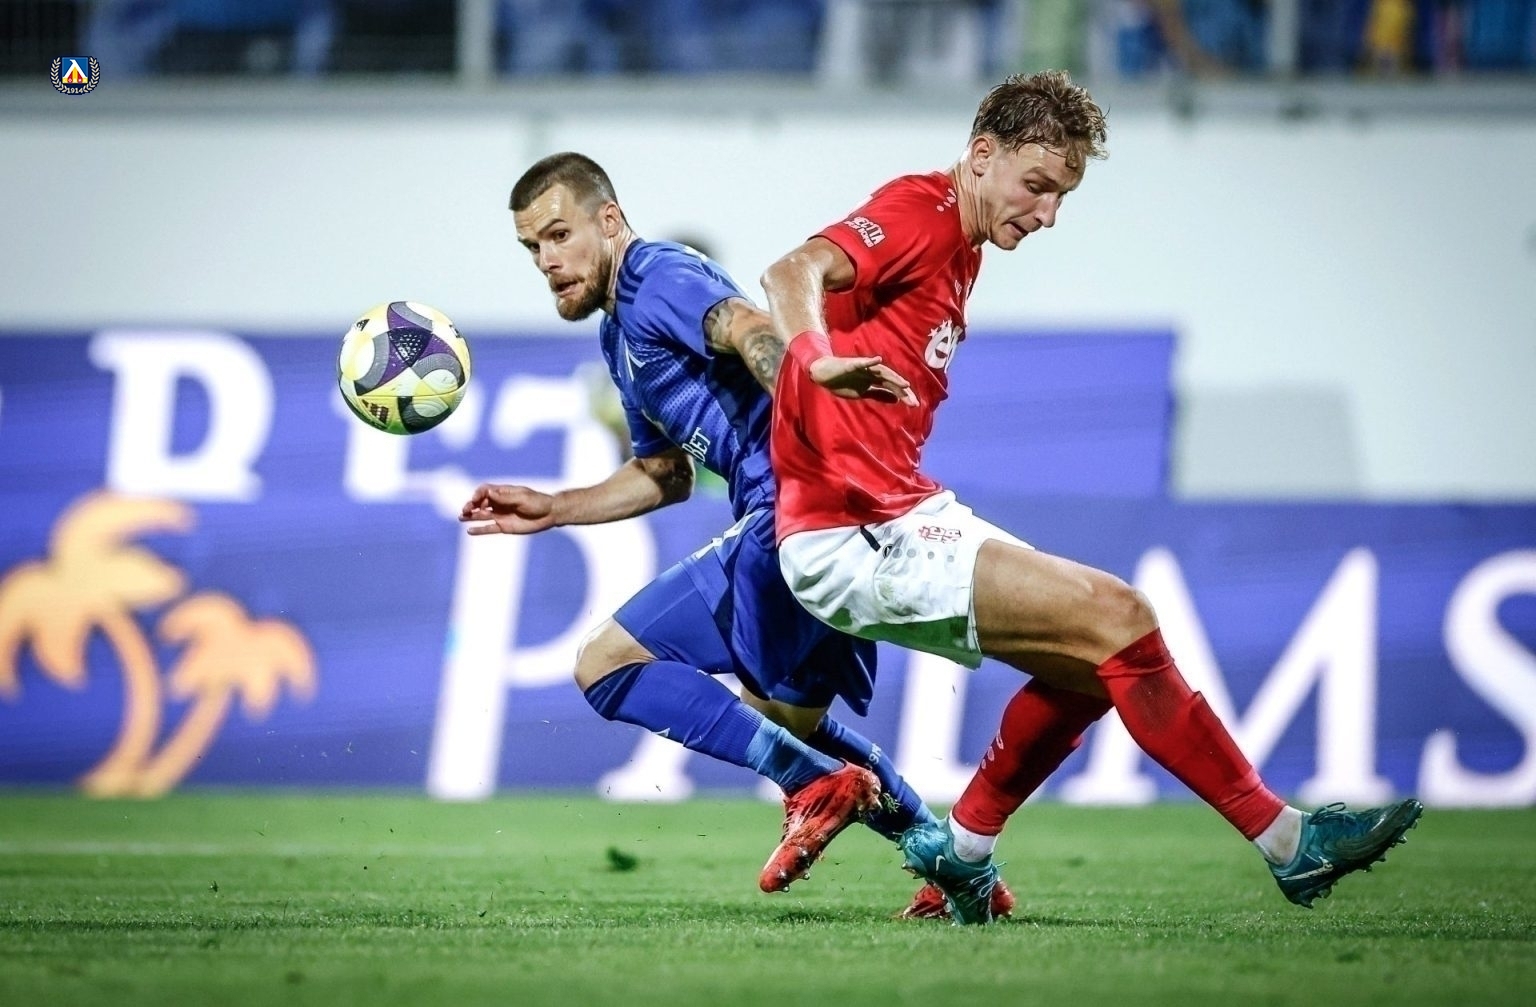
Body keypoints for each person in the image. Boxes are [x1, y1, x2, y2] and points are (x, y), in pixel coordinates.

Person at [758, 70, 1424, 924]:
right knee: (1121, 616)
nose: (1047, 214)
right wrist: (814, 360)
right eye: (1037, 185)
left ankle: (962, 851)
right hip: (854, 527)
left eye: (1062, 196)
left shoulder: (963, 243)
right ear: (982, 154)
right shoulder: (922, 211)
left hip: (895, 512)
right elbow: (792, 270)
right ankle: (1289, 844)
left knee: (1097, 664)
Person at [459, 152, 985, 908]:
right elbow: (665, 472)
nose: (547, 260)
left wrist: (805, 392)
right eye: (532, 247)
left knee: (606, 664)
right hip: (811, 514)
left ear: (609, 220)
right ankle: (958, 869)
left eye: (559, 234)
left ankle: (812, 784)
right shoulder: (618, 338)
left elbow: (746, 326)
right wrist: (556, 506)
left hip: (791, 507)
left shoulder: (656, 275)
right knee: (790, 719)